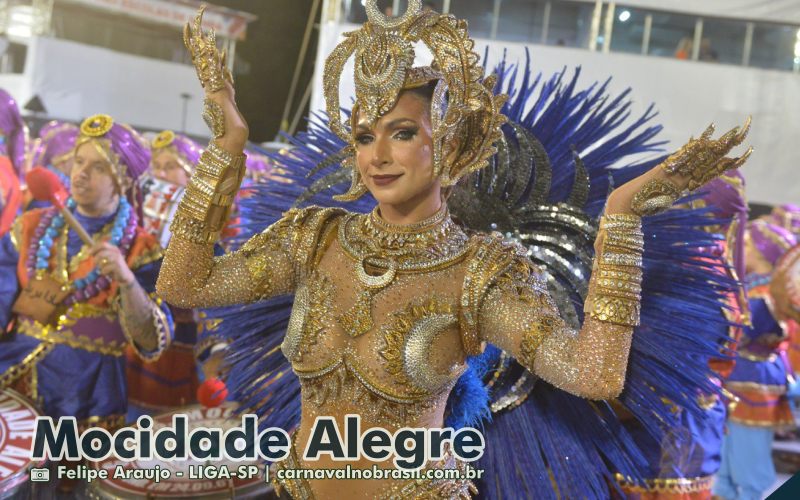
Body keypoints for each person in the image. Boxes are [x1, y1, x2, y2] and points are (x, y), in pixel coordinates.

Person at [158, 4, 752, 498]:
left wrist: (620, 220)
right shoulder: (316, 239)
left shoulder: (480, 273)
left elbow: (594, 375)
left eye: (402, 132)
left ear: (446, 144)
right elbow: (183, 287)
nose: (378, 155)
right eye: (365, 136)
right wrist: (226, 148)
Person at [0, 114, 173, 434]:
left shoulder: (142, 250)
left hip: (89, 392)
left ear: (121, 181)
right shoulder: (31, 226)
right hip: (15, 375)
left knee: (69, 481)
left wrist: (127, 281)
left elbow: (151, 341)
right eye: (79, 162)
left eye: (98, 168)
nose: (80, 174)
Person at [617, 171, 749, 499]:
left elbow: (665, 367)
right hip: (694, 419)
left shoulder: (691, 276)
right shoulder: (718, 267)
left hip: (662, 427)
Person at [714, 220, 797, 500]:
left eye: (747, 245)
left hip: (755, 381)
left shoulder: (769, 298)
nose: (742, 250)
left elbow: (742, 334)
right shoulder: (749, 288)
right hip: (735, 378)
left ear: (762, 252)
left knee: (749, 455)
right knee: (725, 454)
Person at [125, 129, 203, 416]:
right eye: (156, 167)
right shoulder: (134, 214)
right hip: (134, 326)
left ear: (190, 174)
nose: (161, 174)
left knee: (163, 419)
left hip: (179, 333)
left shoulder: (206, 222)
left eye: (170, 167)